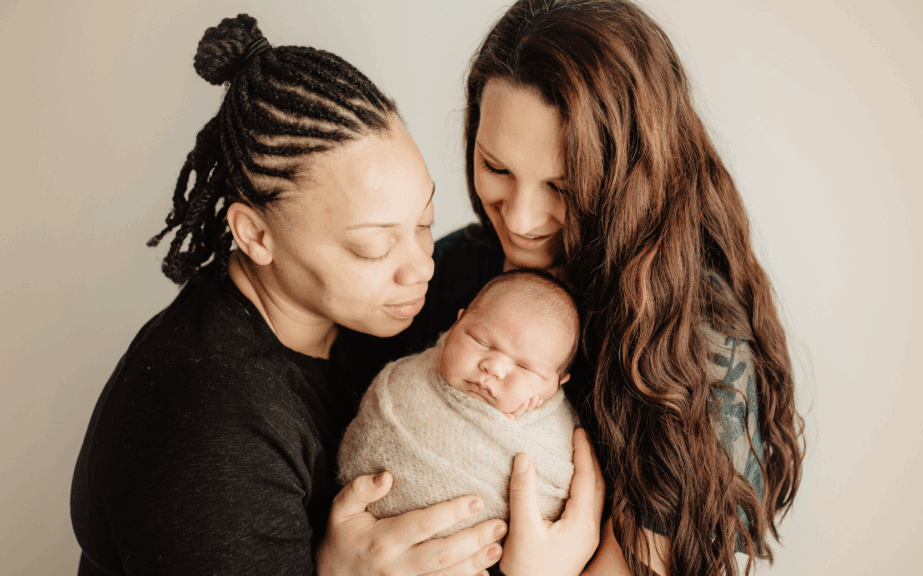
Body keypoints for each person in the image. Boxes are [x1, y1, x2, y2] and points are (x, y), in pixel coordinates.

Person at [71, 14, 600, 576]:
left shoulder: (395, 306)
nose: (421, 266)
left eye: (423, 221)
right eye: (374, 248)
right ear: (256, 235)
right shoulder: (210, 436)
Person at [407, 1, 806, 574]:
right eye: (496, 167)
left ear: (634, 177)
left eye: (563, 187)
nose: (520, 219)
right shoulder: (453, 269)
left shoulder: (699, 352)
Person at [338, 270, 580, 540]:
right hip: (367, 536)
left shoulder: (556, 432)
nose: (494, 367)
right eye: (480, 341)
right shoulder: (407, 381)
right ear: (456, 324)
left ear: (558, 383)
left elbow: (550, 497)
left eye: (524, 367)